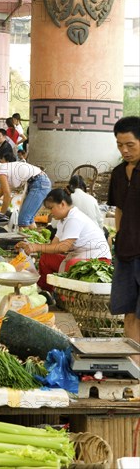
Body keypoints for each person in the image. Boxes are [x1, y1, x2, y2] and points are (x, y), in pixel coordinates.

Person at [16, 188, 111, 292]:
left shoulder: (74, 218)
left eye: (51, 208)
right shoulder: (63, 220)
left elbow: (63, 247)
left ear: (62, 204)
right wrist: (30, 245)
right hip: (80, 257)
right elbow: (53, 245)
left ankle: (64, 298)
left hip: (97, 260)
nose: (50, 213)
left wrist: (35, 247)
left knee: (72, 265)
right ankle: (47, 292)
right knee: (47, 258)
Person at [108, 116, 140, 357]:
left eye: (130, 144)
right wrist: (118, 235)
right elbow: (118, 208)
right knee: (128, 308)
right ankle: (133, 361)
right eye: (120, 145)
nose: (125, 150)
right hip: (126, 250)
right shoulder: (119, 173)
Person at [0, 153, 52, 223]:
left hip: (39, 183)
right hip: (38, 182)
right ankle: (32, 235)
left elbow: (7, 195)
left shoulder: (1, 172)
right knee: (28, 219)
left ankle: (26, 235)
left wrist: (1, 215)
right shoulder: (3, 168)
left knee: (23, 219)